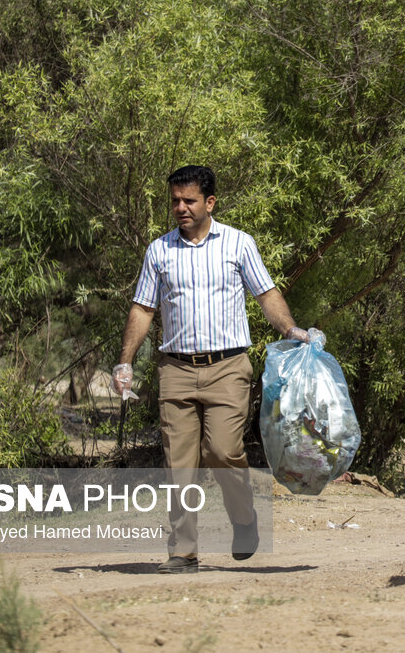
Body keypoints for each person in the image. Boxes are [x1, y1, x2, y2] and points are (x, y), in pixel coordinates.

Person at [112, 165, 312, 574]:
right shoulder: (159, 251)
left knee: (223, 452)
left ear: (210, 202)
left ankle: (243, 519)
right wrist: (126, 361)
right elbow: (143, 308)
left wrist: (291, 329)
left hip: (227, 367)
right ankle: (183, 551)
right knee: (179, 465)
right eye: (175, 201)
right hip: (175, 369)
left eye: (188, 200)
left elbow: (266, 292)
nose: (180, 208)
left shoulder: (238, 245)